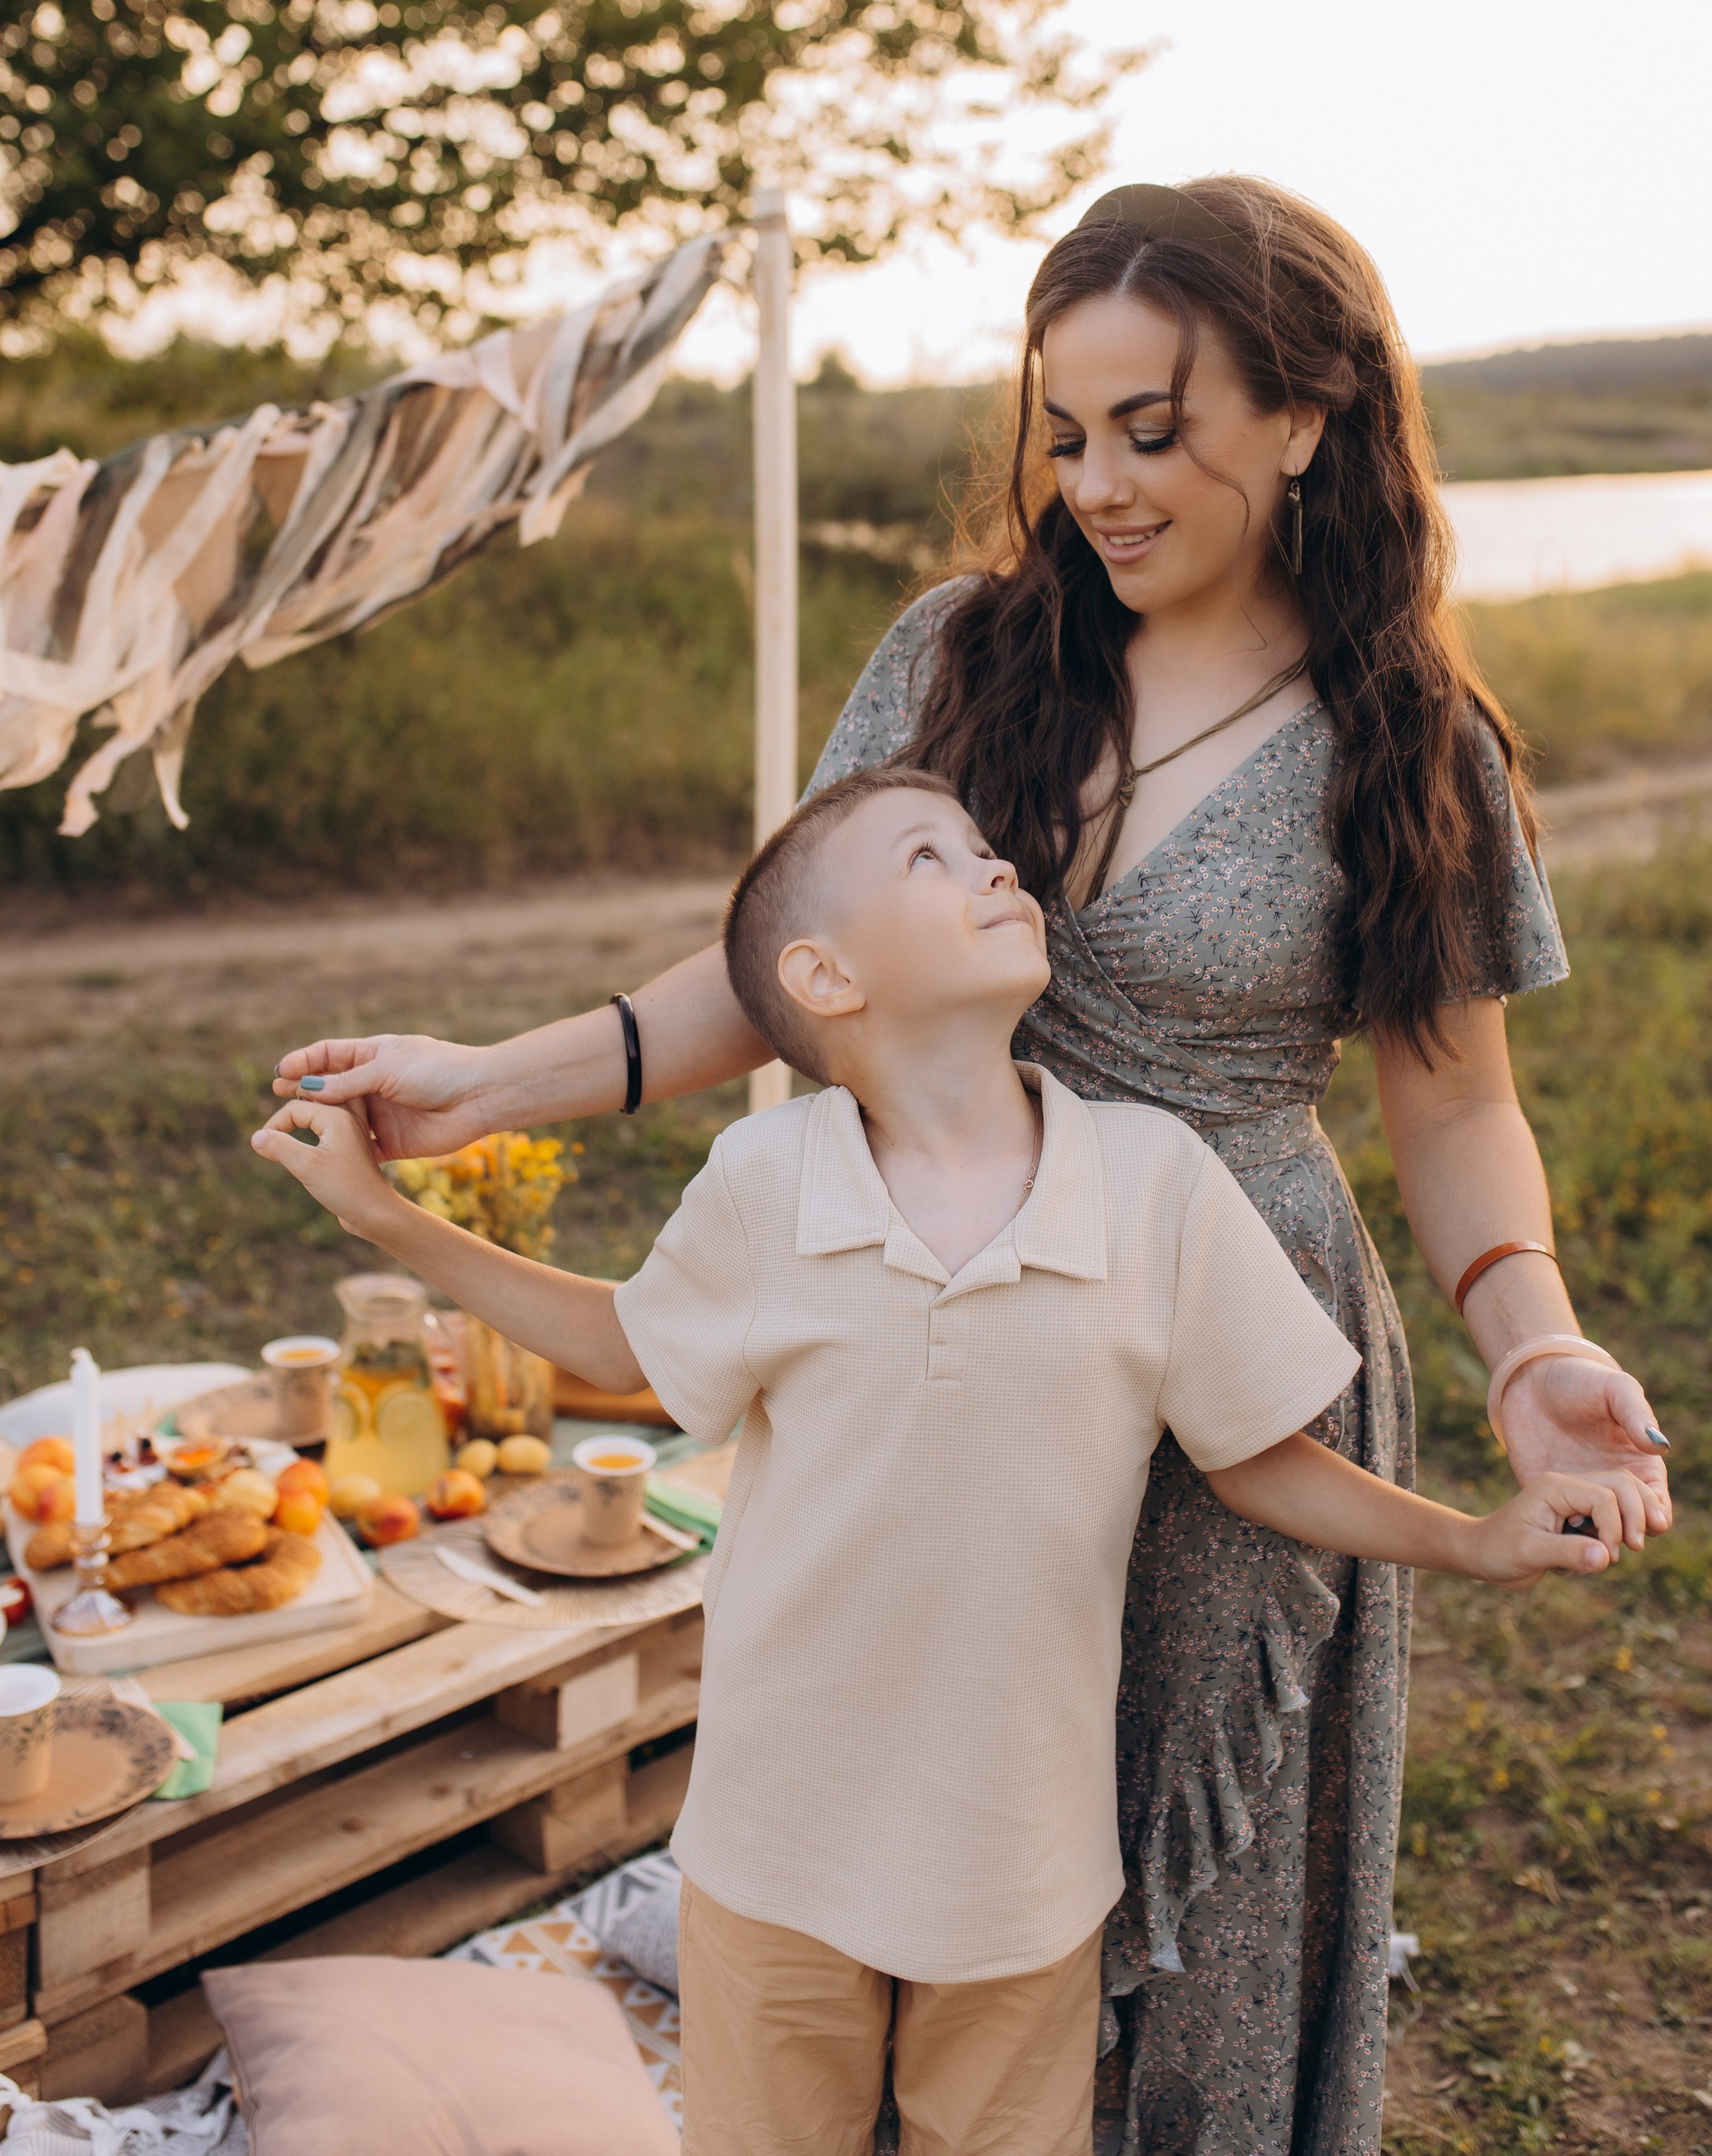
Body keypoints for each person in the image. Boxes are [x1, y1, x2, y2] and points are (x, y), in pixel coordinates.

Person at [272, 177, 1673, 2156]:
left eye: (1155, 429)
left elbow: (1455, 1107)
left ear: (1310, 414)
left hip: (1225, 1339)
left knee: (1183, 1911)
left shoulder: (1408, 736)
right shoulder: (967, 650)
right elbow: (784, 968)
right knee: (913, 1799)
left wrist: (1532, 1346)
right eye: (1067, 427)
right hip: (941, 1319)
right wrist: (488, 1079)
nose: (1097, 482)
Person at [255, 768, 1652, 2156]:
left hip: (1019, 1881)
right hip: (772, 1859)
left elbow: (1257, 1460)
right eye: (935, 856)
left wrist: (1475, 1534)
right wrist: (387, 1217)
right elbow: (621, 1345)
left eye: (991, 846)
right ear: (822, 973)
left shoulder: (1152, 1179)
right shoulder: (764, 1179)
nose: (997, 868)